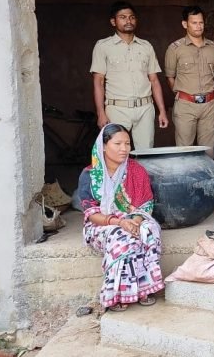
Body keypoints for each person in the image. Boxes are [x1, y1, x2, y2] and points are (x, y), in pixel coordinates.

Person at [77, 123, 164, 312]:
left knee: (148, 230)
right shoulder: (90, 175)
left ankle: (144, 288)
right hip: (102, 224)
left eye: (127, 143)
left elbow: (145, 204)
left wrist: (136, 222)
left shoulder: (136, 170)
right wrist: (120, 222)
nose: (124, 149)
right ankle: (117, 293)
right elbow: (92, 214)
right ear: (103, 146)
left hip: (133, 218)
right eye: (117, 144)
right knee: (122, 238)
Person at [90, 1, 168, 150]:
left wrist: (162, 111)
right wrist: (101, 113)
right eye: (123, 17)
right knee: (116, 152)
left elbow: (154, 80)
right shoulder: (103, 46)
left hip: (145, 108)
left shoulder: (146, 46)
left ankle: (141, 168)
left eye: (132, 17)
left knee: (146, 152)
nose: (128, 21)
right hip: (117, 108)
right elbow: (98, 82)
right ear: (113, 21)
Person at [164, 6, 214, 157]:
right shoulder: (175, 48)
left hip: (209, 105)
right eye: (194, 23)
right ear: (185, 24)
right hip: (186, 105)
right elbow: (170, 77)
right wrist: (182, 96)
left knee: (208, 150)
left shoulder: (213, 47)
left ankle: (207, 174)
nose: (198, 26)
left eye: (201, 22)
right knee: (184, 151)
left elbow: (213, 73)